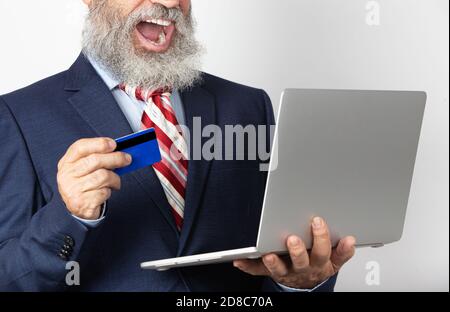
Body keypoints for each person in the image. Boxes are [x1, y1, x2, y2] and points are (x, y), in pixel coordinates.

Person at [0, 0, 355, 291]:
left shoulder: (247, 105)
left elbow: (276, 253)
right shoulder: (18, 115)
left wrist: (299, 283)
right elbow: (10, 279)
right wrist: (69, 216)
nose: (171, 3)